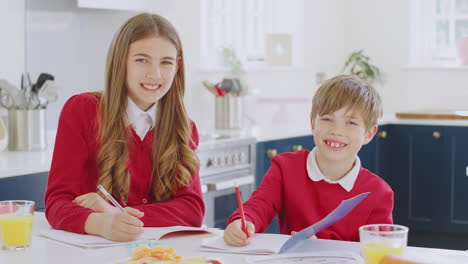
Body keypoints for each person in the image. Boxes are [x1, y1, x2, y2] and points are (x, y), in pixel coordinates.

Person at [45, 13, 204, 242]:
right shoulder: (81, 111)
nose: (155, 74)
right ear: (121, 61)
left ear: (177, 66)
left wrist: (115, 214)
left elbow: (192, 211)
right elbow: (57, 203)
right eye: (142, 60)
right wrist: (101, 223)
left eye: (166, 62)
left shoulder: (185, 128)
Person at [223, 75, 394, 246]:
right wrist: (243, 222)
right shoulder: (285, 167)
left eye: (351, 123)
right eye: (327, 119)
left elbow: (377, 252)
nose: (337, 130)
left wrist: (324, 251)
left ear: (369, 134)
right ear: (313, 123)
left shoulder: (379, 193)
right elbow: (260, 204)